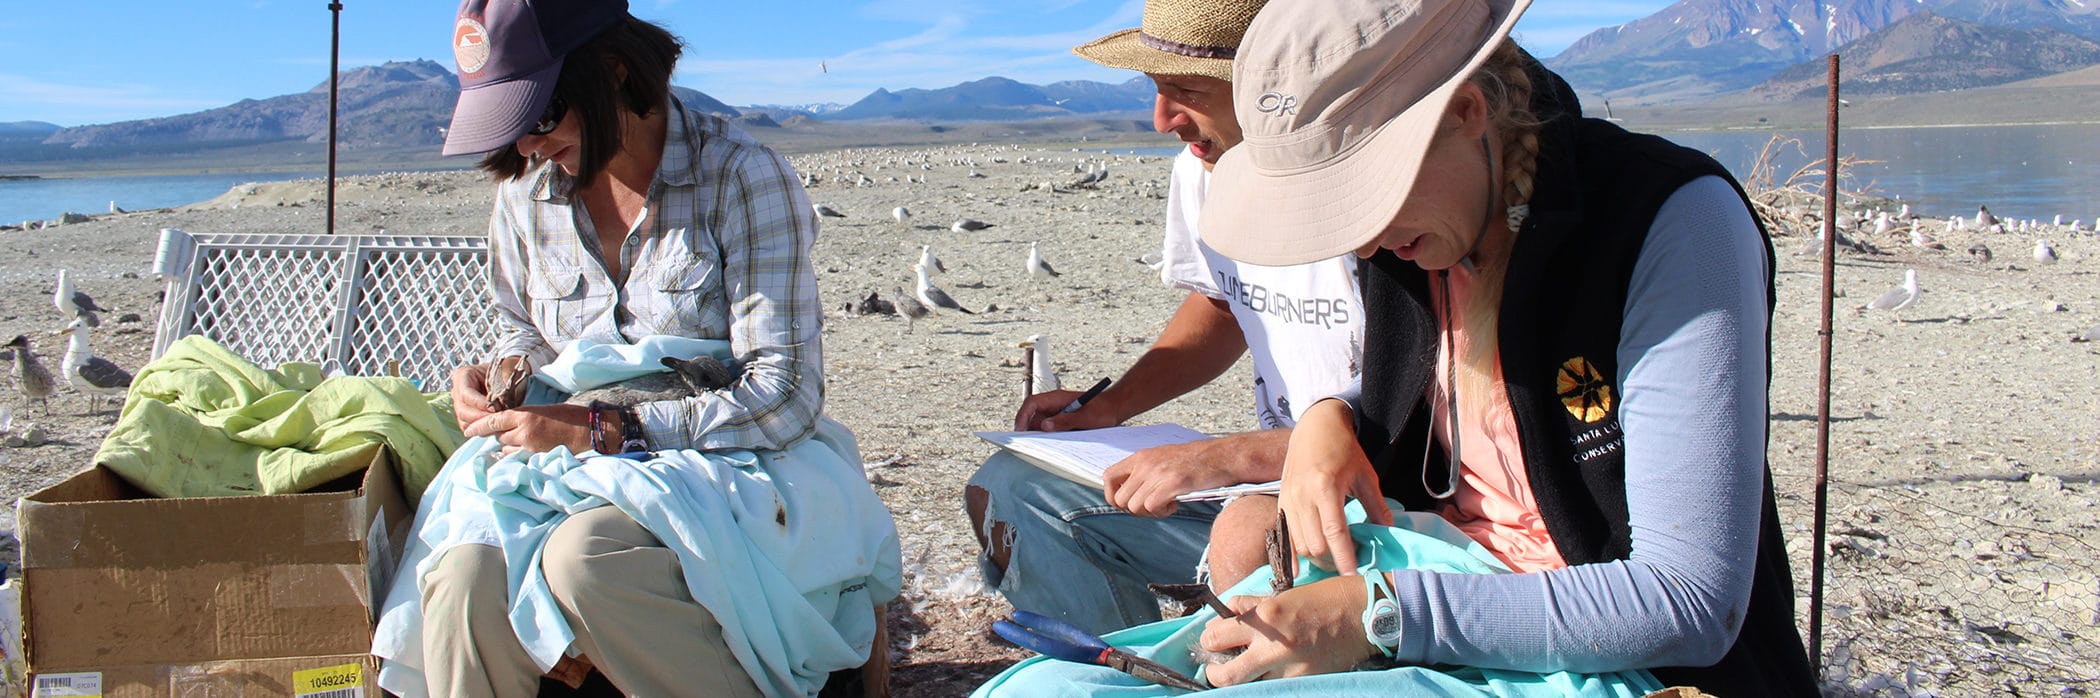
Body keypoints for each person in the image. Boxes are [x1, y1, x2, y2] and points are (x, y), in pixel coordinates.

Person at [1188, 0, 1819, 693]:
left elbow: (1690, 598)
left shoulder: (1672, 221)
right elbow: (1463, 393)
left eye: (1362, 195)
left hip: (1615, 648)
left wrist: (1378, 615)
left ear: (1464, 111)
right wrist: (1330, 416)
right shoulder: (1422, 225)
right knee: (1249, 533)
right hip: (1452, 577)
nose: (1360, 242)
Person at [400, 1, 895, 696]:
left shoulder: (739, 178)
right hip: (568, 459)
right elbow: (529, 336)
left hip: (737, 462)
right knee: (463, 576)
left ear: (612, 72)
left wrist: (611, 429)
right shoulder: (524, 197)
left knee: (586, 561)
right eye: (510, 128)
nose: (527, 149)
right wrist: (499, 377)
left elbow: (785, 394)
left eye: (539, 117)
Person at [961, 0, 1364, 634]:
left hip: (1376, 500)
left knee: (1249, 539)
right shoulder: (1206, 167)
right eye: (1155, 88)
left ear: (1276, 85)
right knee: (1016, 487)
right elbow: (1225, 301)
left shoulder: (1381, 196)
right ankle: (1123, 672)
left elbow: (1433, 426)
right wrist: (1110, 408)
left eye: (1185, 90)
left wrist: (1227, 458)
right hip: (1269, 479)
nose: (1161, 120)